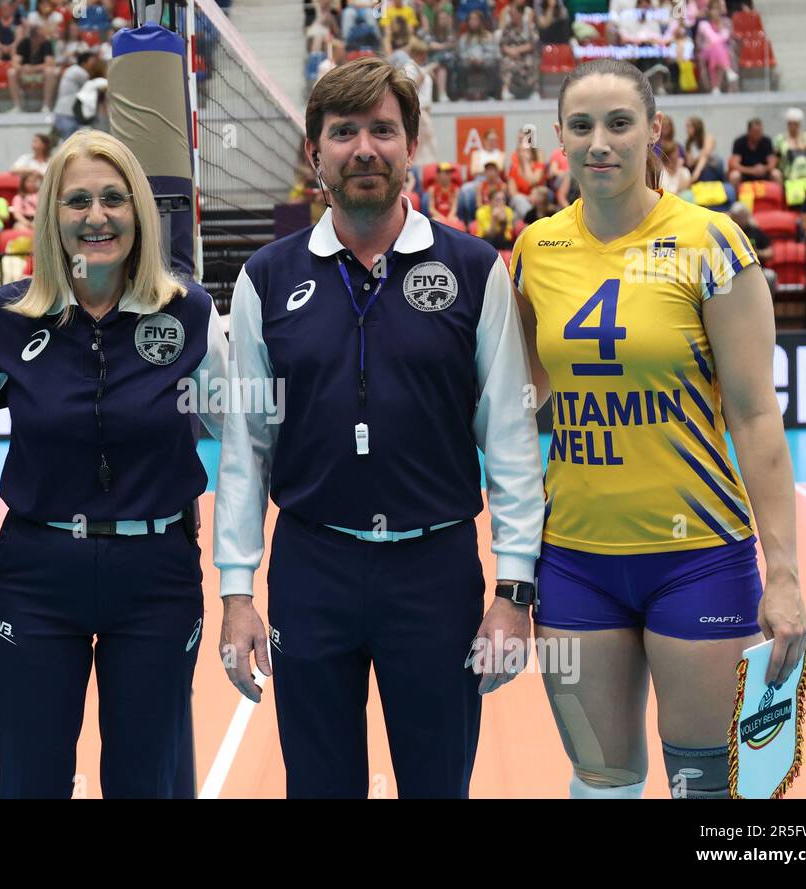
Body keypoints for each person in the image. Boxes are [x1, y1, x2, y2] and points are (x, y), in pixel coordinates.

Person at [215, 57, 543, 798]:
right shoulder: (266, 278)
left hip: (437, 573)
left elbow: (512, 440)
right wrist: (238, 592)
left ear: (411, 144)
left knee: (438, 783)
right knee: (319, 785)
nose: (364, 148)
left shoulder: (472, 267)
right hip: (312, 567)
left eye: (383, 130)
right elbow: (246, 446)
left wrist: (514, 591)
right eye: (344, 132)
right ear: (315, 153)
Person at [509, 59, 806, 800]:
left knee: (702, 785)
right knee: (600, 776)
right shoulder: (536, 249)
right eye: (582, 126)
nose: (600, 143)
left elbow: (755, 414)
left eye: (619, 124)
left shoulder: (712, 245)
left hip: (698, 556)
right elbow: (518, 401)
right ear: (560, 138)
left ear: (654, 131)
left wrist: (786, 575)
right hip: (576, 561)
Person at [0, 128, 227, 798]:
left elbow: (245, 430)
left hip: (155, 574)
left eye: (113, 198)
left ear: (137, 211)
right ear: (52, 216)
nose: (97, 216)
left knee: (144, 780)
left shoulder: (188, 311)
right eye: (77, 201)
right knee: (31, 777)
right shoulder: (10, 315)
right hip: (37, 574)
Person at [13, 22, 57, 113]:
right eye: (42, 35)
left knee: (50, 71)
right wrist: (22, 68)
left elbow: (49, 63)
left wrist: (33, 68)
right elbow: (15, 62)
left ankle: (46, 106)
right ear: (35, 37)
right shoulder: (24, 43)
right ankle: (17, 107)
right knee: (11, 72)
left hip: (40, 73)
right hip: (25, 73)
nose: (44, 37)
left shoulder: (46, 43)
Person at [728, 117, 781, 188]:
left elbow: (772, 162)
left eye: (760, 131)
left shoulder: (767, 141)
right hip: (745, 173)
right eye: (755, 132)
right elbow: (734, 164)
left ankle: (779, 197)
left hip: (763, 172)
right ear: (749, 131)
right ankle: (735, 198)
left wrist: (764, 169)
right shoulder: (739, 142)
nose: (758, 134)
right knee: (734, 175)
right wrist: (751, 170)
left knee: (776, 174)